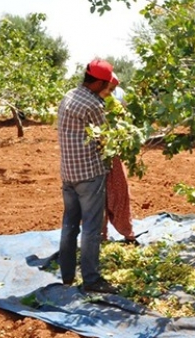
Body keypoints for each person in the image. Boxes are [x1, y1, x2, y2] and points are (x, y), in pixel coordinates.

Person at [57, 59, 119, 294]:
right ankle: (91, 280)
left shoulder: (69, 96)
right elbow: (106, 138)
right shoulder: (94, 104)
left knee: (69, 225)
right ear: (101, 82)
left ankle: (67, 276)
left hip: (68, 174)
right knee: (91, 228)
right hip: (89, 175)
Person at [98, 74, 137, 245]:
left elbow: (125, 118)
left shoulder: (119, 95)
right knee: (98, 196)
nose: (110, 91)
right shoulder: (92, 98)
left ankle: (128, 233)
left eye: (112, 88)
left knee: (120, 192)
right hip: (94, 152)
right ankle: (101, 236)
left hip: (113, 151)